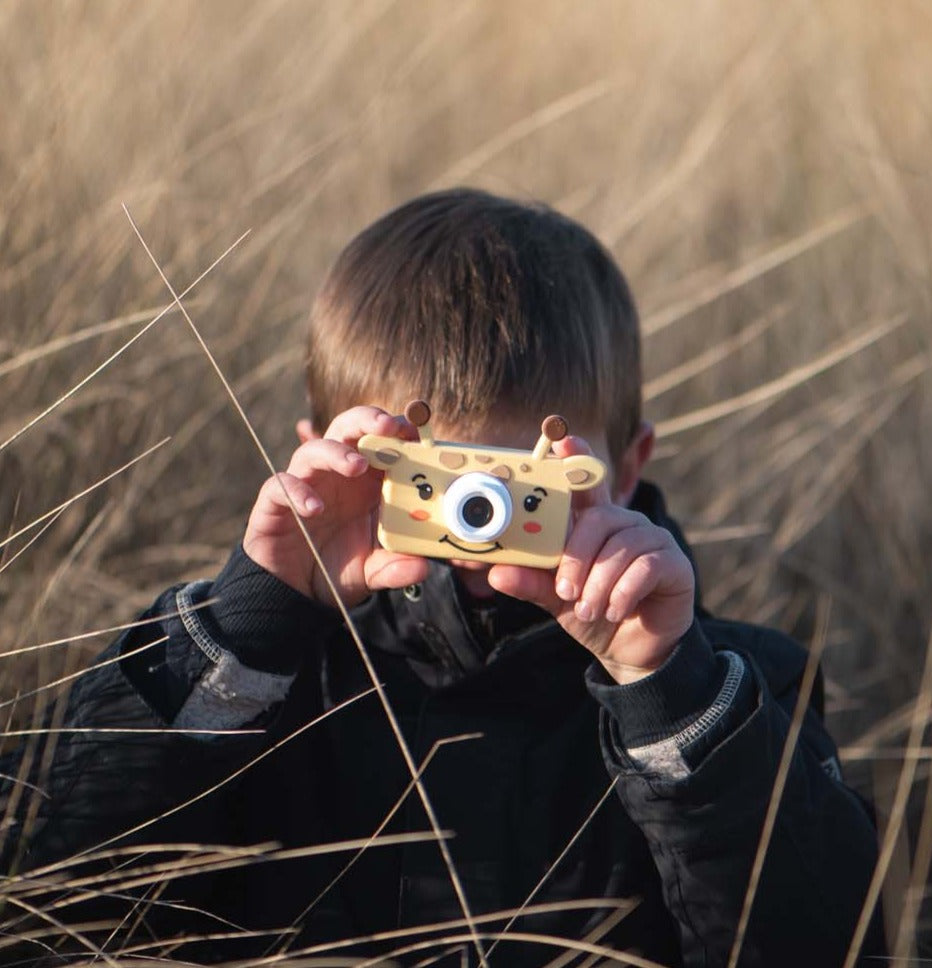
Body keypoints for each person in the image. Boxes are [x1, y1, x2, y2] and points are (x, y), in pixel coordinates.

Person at [1, 189, 882, 966]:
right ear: (324, 455)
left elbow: (830, 947)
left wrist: (668, 693)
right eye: (424, 480)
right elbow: (53, 900)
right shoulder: (257, 679)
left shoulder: (732, 693)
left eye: (522, 489)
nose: (476, 528)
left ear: (624, 468)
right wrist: (247, 622)